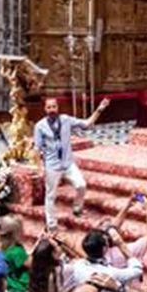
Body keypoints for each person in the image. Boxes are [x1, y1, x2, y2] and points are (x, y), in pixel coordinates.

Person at [32, 97, 110, 229]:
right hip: (52, 165)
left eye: (54, 107)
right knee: (50, 195)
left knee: (81, 185)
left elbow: (87, 124)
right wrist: (40, 168)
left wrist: (100, 109)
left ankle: (77, 208)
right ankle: (51, 223)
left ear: (58, 107)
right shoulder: (40, 126)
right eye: (49, 107)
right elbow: (36, 149)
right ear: (45, 109)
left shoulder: (66, 120)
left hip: (68, 163)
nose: (52, 110)